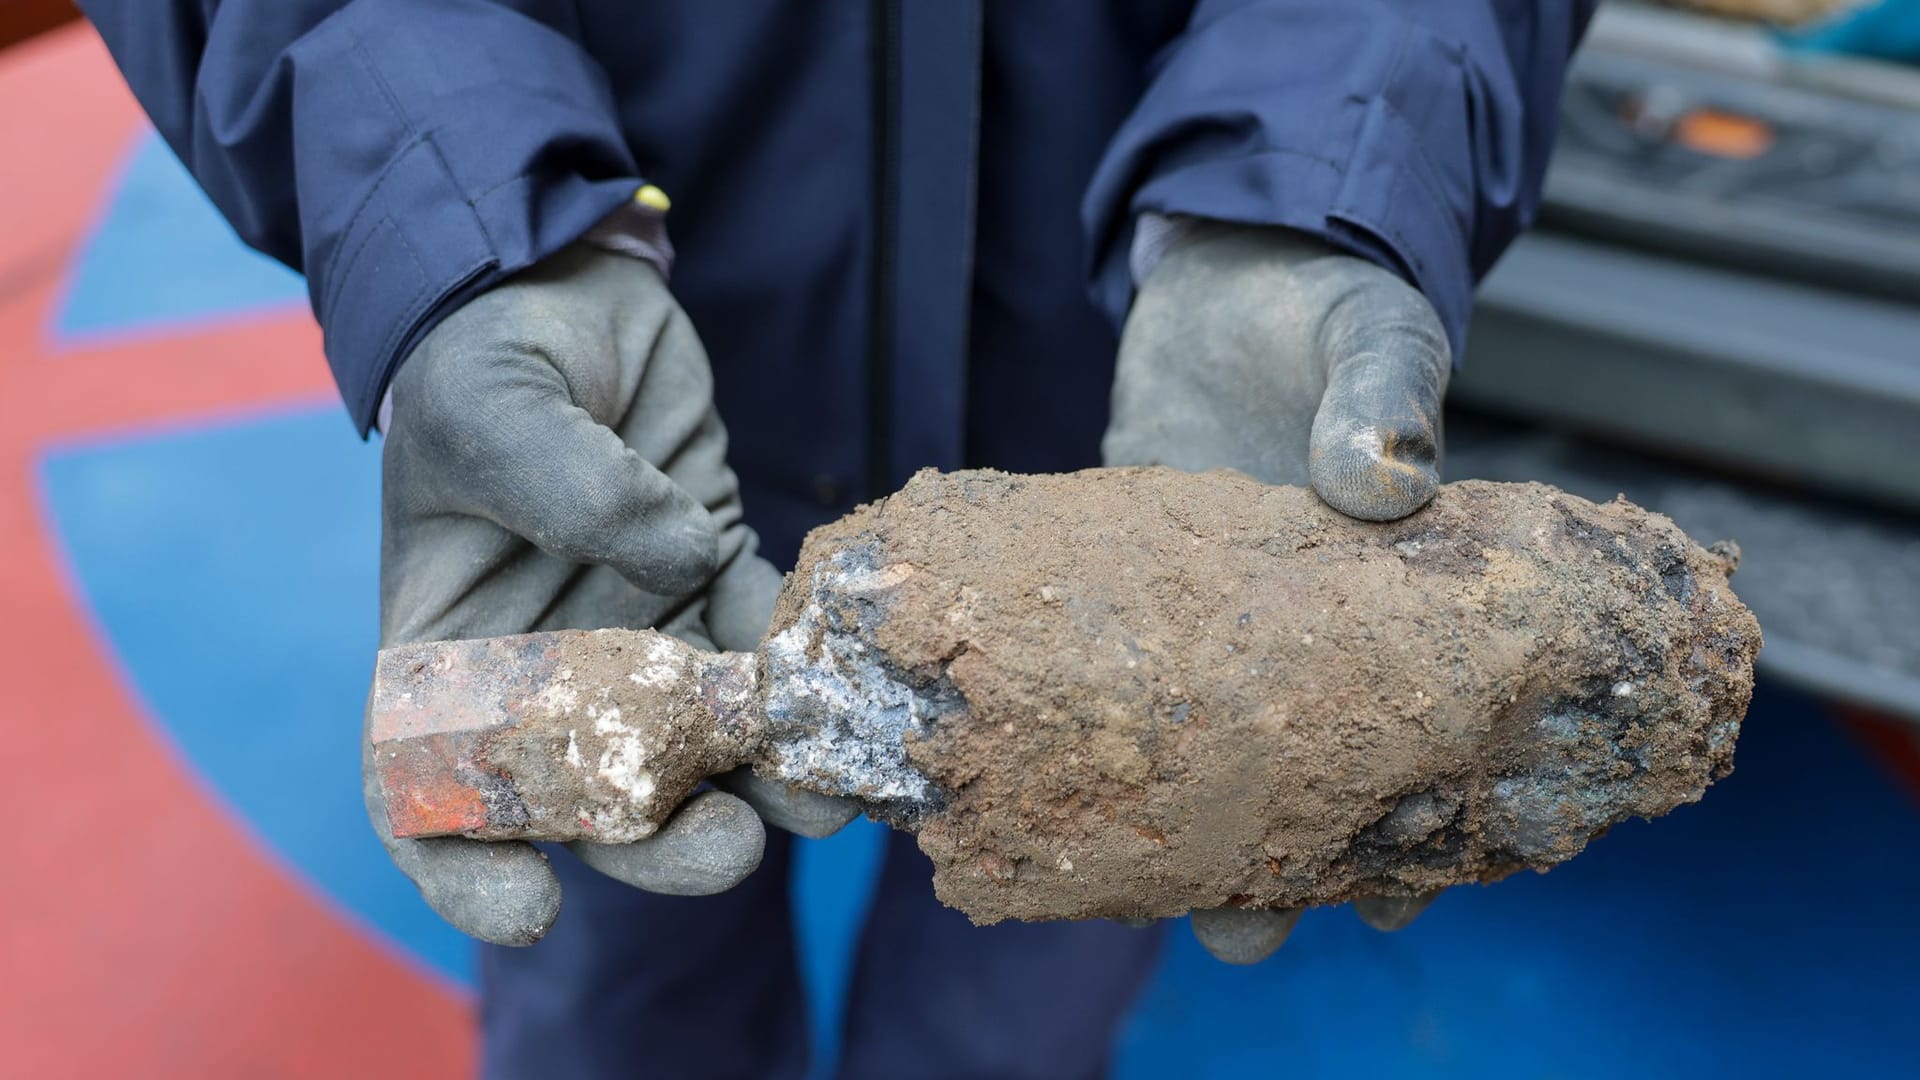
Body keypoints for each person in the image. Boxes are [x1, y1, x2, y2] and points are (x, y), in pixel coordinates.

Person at [82, 3, 1597, 1076]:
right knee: (619, 993)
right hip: (634, 406)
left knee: (1027, 989)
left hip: (1126, 416)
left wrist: (1317, 180)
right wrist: (471, 220)